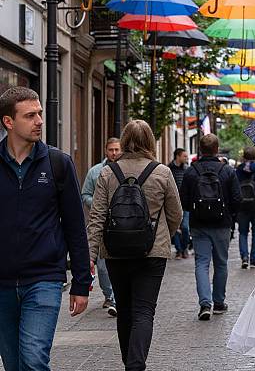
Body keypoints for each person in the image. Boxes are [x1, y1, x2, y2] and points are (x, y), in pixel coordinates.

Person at [0, 87, 91, 371]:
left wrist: (81, 282)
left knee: (34, 358)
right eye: (30, 116)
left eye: (40, 114)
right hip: (1, 283)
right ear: (9, 122)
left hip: (44, 279)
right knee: (14, 365)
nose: (39, 121)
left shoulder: (57, 163)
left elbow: (76, 227)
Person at [87, 120, 182, 371]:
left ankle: (128, 362)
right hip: (152, 253)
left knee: (125, 309)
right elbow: (176, 214)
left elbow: (96, 216)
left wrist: (90, 254)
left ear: (124, 140)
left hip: (116, 252)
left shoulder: (109, 172)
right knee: (144, 311)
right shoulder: (162, 172)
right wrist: (161, 236)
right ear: (150, 141)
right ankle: (135, 365)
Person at [180, 134, 241, 321]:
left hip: (199, 224)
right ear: (217, 149)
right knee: (221, 263)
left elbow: (183, 201)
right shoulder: (227, 171)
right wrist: (229, 214)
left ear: (200, 148)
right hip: (222, 224)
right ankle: (219, 302)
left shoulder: (192, 172)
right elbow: (237, 199)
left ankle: (205, 303)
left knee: (202, 263)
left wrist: (197, 210)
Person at [81, 137, 121, 316]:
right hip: (101, 223)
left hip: (121, 225)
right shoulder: (95, 171)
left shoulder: (125, 170)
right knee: (102, 264)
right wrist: (98, 204)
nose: (114, 153)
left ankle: (118, 296)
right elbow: (85, 194)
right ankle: (110, 296)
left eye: (117, 150)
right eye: (111, 149)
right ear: (106, 150)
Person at [168, 148, 190, 259]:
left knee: (185, 227)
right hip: (172, 203)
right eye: (184, 156)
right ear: (178, 156)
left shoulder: (187, 169)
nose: (186, 158)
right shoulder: (169, 169)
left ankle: (185, 247)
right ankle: (179, 250)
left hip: (185, 203)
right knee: (175, 227)